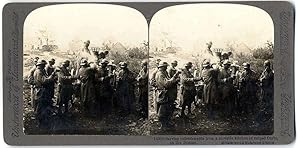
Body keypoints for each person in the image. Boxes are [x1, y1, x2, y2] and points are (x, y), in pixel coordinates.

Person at [155, 61, 180, 129]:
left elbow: (169, 80)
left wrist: (174, 78)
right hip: (163, 95)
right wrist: (175, 77)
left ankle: (166, 123)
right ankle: (164, 125)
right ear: (162, 67)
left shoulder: (164, 72)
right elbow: (166, 84)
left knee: (167, 109)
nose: (166, 67)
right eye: (165, 66)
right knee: (162, 111)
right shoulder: (160, 74)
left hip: (167, 94)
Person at [33, 59, 56, 128]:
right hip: (41, 92)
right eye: (43, 65)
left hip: (42, 91)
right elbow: (44, 81)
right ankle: (40, 123)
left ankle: (42, 121)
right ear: (41, 65)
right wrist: (52, 75)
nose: (44, 66)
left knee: (43, 107)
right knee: (40, 107)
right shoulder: (39, 72)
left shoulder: (41, 71)